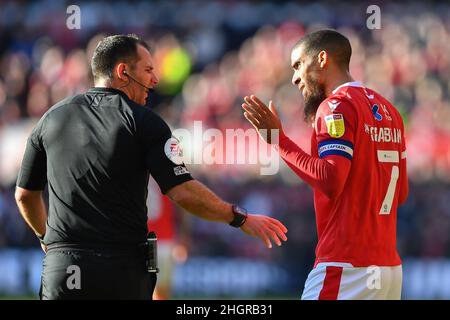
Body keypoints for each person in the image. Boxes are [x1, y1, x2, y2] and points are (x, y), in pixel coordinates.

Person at [15, 34, 288, 300]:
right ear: (123, 72)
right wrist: (238, 217)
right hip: (121, 270)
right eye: (147, 70)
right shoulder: (145, 122)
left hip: (63, 269)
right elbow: (182, 192)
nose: (155, 80)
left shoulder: (50, 119)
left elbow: (24, 195)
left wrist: (46, 237)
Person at [242, 29, 408, 300]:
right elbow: (400, 193)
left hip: (346, 268)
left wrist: (278, 140)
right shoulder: (390, 112)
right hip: (388, 270)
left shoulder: (335, 107)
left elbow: (331, 179)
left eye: (298, 65)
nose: (295, 78)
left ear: (321, 59)